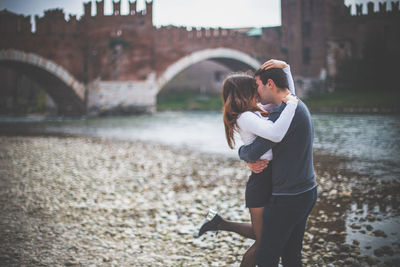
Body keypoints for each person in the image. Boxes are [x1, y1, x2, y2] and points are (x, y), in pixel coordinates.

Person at [193, 60, 297, 267]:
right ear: (245, 92)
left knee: (266, 236)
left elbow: (284, 95)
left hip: (268, 179)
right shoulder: (247, 117)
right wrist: (293, 104)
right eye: (255, 88)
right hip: (260, 183)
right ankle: (221, 224)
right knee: (263, 242)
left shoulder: (255, 111)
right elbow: (277, 130)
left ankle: (220, 223)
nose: (259, 91)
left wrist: (286, 69)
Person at [238, 62, 318, 267]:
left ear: (270, 84)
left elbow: (254, 150)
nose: (255, 91)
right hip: (306, 190)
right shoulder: (294, 104)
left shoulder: (283, 114)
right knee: (292, 255)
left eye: (257, 85)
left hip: (288, 197)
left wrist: (242, 154)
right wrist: (287, 69)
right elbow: (285, 92)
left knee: (266, 256)